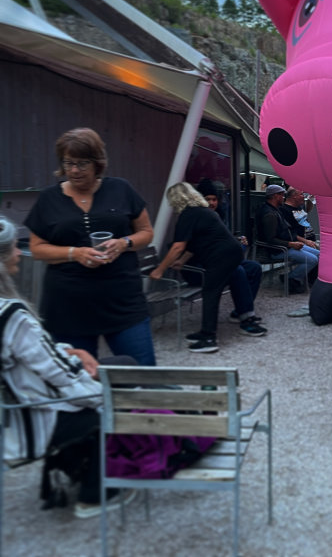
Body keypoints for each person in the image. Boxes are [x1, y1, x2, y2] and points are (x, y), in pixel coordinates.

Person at [0, 215, 136, 518]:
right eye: (12, 249)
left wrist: (72, 351)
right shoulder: (12, 314)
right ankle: (95, 493)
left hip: (17, 407)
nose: (18, 253)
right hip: (37, 414)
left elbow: (36, 356)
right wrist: (103, 397)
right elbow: (57, 374)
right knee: (116, 391)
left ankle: (78, 464)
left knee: (123, 365)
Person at [24, 127, 156, 365]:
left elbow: (146, 233)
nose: (74, 170)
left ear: (97, 163)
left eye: (82, 163)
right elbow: (37, 248)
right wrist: (74, 253)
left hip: (123, 303)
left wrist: (124, 243)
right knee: (79, 384)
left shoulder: (121, 189)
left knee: (143, 376)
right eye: (68, 163)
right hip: (68, 309)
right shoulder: (49, 198)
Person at [150, 182, 244, 353]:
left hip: (223, 256)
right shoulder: (201, 212)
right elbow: (193, 245)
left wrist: (159, 270)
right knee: (211, 291)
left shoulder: (189, 214)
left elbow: (178, 246)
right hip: (230, 253)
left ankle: (209, 338)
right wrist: (181, 262)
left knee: (210, 293)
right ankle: (204, 332)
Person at [178, 179, 266, 336]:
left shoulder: (217, 216)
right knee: (237, 270)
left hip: (218, 263)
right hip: (198, 268)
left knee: (254, 268)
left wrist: (236, 241)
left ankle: (240, 311)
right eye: (207, 199)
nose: (212, 203)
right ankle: (246, 318)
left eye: (214, 199)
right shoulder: (194, 217)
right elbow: (191, 248)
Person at [257, 185, 319, 294]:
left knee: (318, 254)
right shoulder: (269, 214)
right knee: (312, 260)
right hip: (278, 249)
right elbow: (270, 240)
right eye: (281, 195)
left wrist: (297, 242)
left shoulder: (275, 210)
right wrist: (291, 244)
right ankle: (290, 278)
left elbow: (287, 231)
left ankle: (304, 279)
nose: (284, 197)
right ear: (275, 196)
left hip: (289, 245)